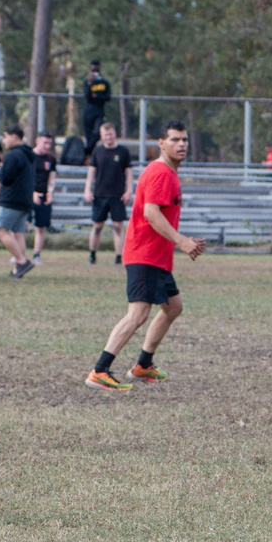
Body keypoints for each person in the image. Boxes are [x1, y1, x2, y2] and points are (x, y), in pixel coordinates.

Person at [85, 121, 206, 391]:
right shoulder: (161, 172)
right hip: (145, 253)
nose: (182, 144)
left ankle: (143, 365)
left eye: (184, 140)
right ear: (161, 144)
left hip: (157, 257)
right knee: (138, 314)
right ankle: (99, 370)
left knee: (173, 307)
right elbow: (151, 213)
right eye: (175, 139)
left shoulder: (169, 173)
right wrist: (182, 241)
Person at [85, 121, 132, 264]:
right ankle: (92, 254)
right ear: (102, 136)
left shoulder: (123, 151)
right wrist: (87, 190)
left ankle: (119, 256)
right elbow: (91, 172)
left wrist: (129, 191)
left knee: (118, 226)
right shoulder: (97, 151)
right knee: (97, 226)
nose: (108, 137)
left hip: (117, 195)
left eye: (110, 134)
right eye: (105, 134)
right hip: (100, 195)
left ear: (114, 134)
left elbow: (129, 173)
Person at [0, 125, 37, 279]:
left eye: (5, 137)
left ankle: (22, 261)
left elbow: (5, 177)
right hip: (24, 200)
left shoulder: (13, 155)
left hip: (11, 199)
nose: (4, 141)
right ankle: (18, 269)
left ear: (13, 137)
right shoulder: (28, 154)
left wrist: (2, 168)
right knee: (18, 233)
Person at [31, 132, 57, 264]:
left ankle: (36, 255)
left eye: (49, 143)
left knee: (41, 227)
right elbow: (24, 177)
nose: (47, 146)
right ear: (37, 141)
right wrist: (32, 192)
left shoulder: (51, 159)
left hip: (43, 196)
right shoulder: (29, 156)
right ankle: (18, 253)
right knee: (21, 225)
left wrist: (50, 192)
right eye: (45, 143)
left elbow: (52, 177)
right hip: (28, 195)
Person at [82, 60, 111, 155]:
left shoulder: (104, 83)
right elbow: (87, 97)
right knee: (89, 136)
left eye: (96, 67)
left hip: (99, 112)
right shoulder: (87, 82)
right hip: (87, 113)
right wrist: (90, 84)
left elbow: (107, 97)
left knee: (97, 133)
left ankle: (86, 151)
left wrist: (97, 96)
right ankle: (90, 156)